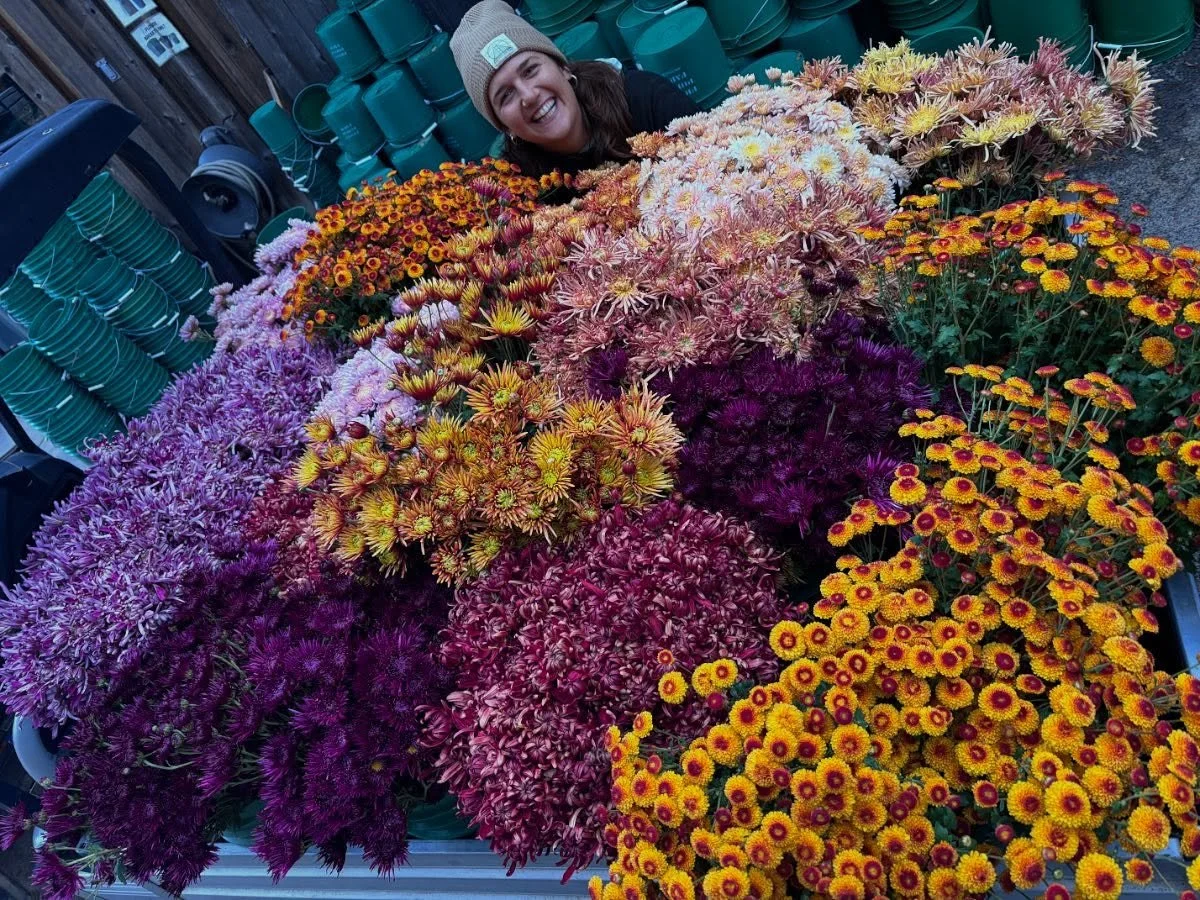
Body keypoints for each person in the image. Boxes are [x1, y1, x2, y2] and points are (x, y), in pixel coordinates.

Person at [449, 0, 699, 177]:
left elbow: (716, 154)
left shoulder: (642, 97)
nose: (529, 95)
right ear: (504, 127)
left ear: (563, 68)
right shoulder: (524, 190)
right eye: (506, 95)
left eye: (530, 70)